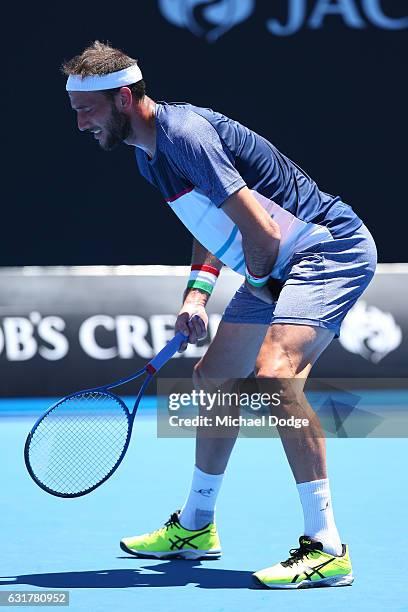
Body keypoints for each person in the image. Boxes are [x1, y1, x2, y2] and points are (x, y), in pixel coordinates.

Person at [63, 41, 377, 589]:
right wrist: (196, 295)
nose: (80, 123)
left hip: (326, 249)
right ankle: (196, 525)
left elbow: (263, 232)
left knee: (276, 379)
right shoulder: (149, 154)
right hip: (275, 261)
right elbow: (212, 221)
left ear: (121, 98)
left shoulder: (185, 136)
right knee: (214, 378)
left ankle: (327, 548)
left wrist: (258, 281)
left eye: (84, 109)